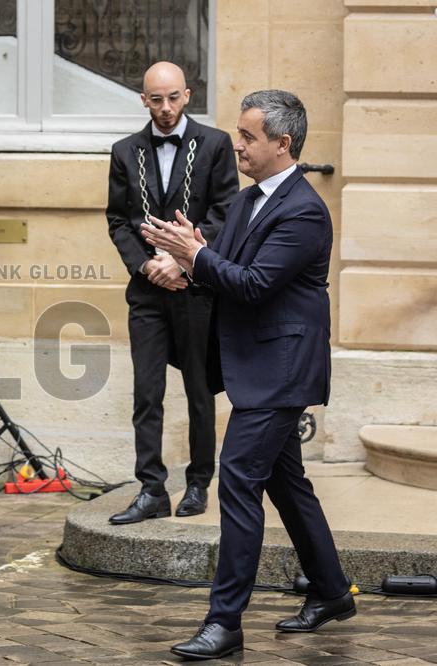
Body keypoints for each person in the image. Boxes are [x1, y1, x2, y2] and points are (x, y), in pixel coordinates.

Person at [141, 90, 353, 660]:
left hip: (281, 370)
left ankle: (225, 622)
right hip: (255, 365)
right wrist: (184, 260)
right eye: (238, 134)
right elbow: (224, 270)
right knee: (286, 483)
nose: (236, 145)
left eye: (247, 136)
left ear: (283, 143)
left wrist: (194, 255)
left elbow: (255, 284)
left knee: (236, 479)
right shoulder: (246, 200)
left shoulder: (305, 210)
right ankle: (332, 591)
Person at [105, 62, 238, 524]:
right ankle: (151, 490)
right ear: (144, 99)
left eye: (173, 97)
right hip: (147, 292)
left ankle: (199, 482)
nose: (165, 108)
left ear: (188, 95)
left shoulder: (216, 144)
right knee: (147, 393)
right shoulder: (124, 151)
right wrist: (147, 265)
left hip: (195, 287)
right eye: (156, 99)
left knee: (200, 390)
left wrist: (181, 259)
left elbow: (225, 212)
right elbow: (117, 220)